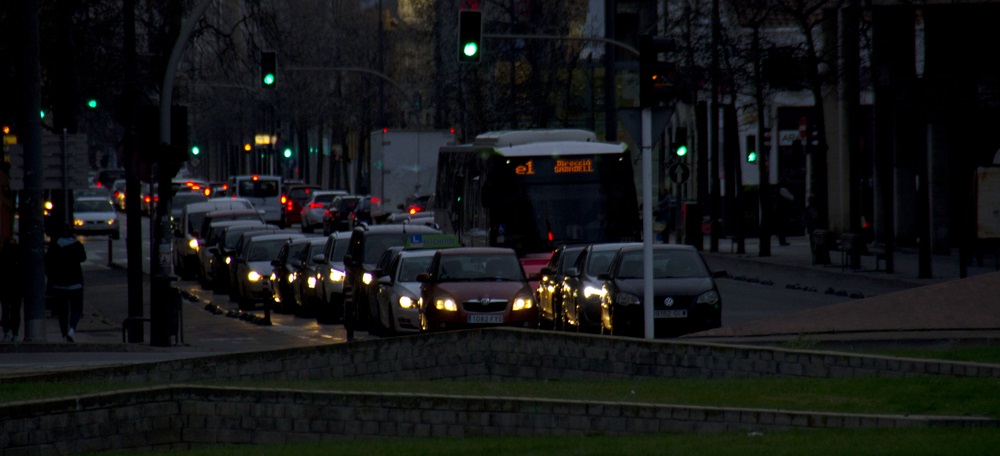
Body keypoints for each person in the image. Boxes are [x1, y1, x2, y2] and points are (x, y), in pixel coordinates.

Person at [45, 224, 87, 343]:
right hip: (75, 282)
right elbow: (83, 258)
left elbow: (47, 261)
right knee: (76, 308)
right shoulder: (77, 245)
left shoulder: (54, 246)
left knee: (63, 310)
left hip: (59, 283)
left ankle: (64, 334)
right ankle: (72, 330)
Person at [0, 237, 26, 342]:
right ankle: (14, 332)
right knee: (14, 311)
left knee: (7, 310)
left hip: (6, 287)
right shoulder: (19, 258)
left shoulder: (3, 257)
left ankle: (8, 331)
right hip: (15, 288)